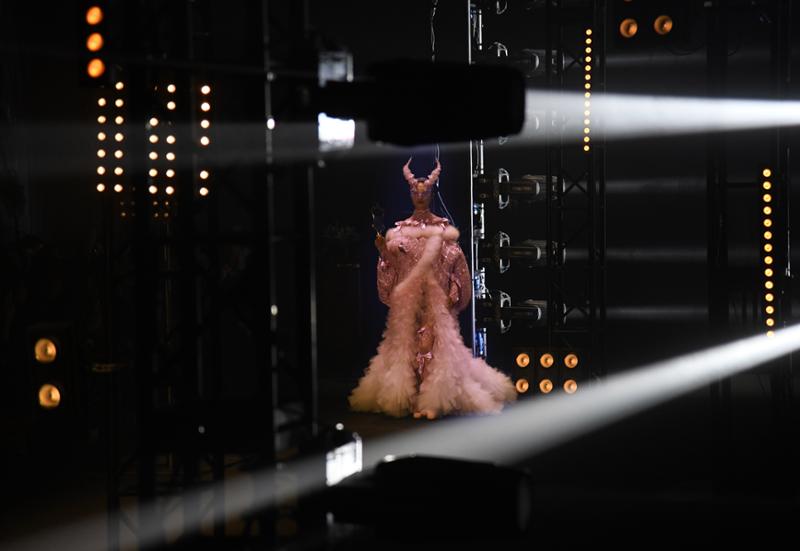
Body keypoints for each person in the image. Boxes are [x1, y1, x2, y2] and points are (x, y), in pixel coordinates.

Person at [348, 158, 516, 419]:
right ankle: (411, 397)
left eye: (424, 192)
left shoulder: (442, 229)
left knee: (433, 348)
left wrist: (453, 292)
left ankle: (432, 401)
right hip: (410, 302)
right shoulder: (401, 231)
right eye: (415, 192)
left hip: (436, 300)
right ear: (410, 194)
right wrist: (383, 251)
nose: (420, 196)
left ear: (430, 194)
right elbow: (393, 265)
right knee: (406, 347)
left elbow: (456, 265)